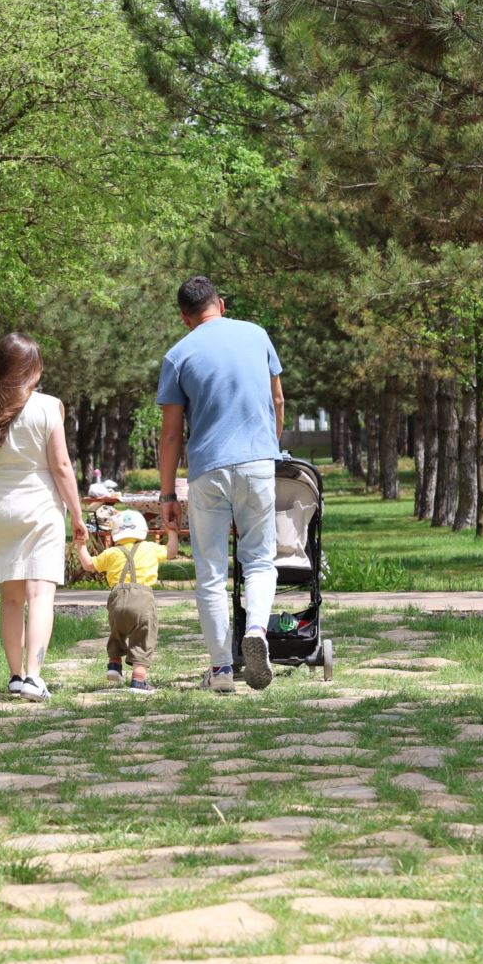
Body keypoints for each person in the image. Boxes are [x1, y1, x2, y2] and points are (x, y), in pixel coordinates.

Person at [158, 276, 285, 693]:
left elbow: (171, 435)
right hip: (257, 462)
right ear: (221, 304)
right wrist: (270, 449)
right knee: (260, 560)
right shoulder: (257, 335)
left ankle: (221, 671)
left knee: (210, 573)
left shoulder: (178, 355)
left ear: (184, 318)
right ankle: (257, 630)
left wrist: (167, 493)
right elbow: (278, 400)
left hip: (208, 470)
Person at [0, 332, 89, 701]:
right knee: (41, 593)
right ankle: (35, 676)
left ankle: (16, 676)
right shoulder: (49, 407)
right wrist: (77, 515)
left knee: (11, 597)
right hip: (40, 504)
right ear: (32, 368)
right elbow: (61, 466)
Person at [75, 509, 179, 692]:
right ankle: (139, 680)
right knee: (143, 638)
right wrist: (172, 531)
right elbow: (171, 552)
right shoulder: (150, 548)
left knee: (117, 632)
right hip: (143, 601)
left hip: (117, 601)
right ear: (143, 530)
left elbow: (89, 565)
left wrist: (80, 545)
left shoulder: (112, 552)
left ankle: (114, 664)